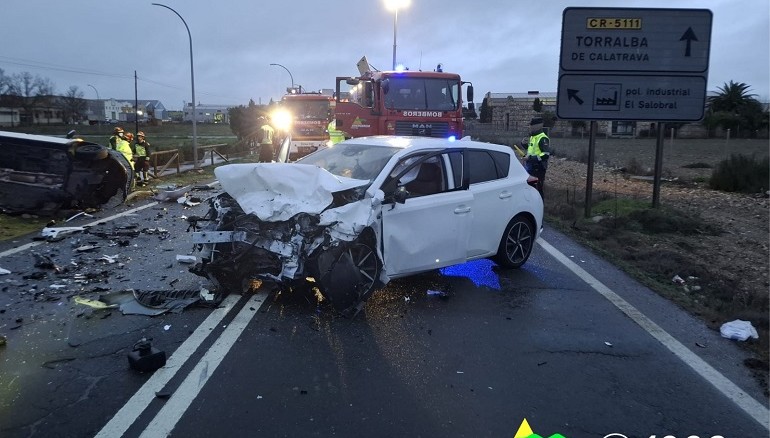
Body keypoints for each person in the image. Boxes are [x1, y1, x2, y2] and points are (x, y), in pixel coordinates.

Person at [521, 117, 550, 197]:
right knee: (531, 189)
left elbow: (545, 155)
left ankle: (540, 206)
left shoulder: (543, 138)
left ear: (537, 126)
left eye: (531, 125)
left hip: (538, 169)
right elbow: (532, 150)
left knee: (537, 190)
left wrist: (530, 158)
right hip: (531, 168)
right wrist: (524, 145)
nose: (529, 127)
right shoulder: (532, 137)